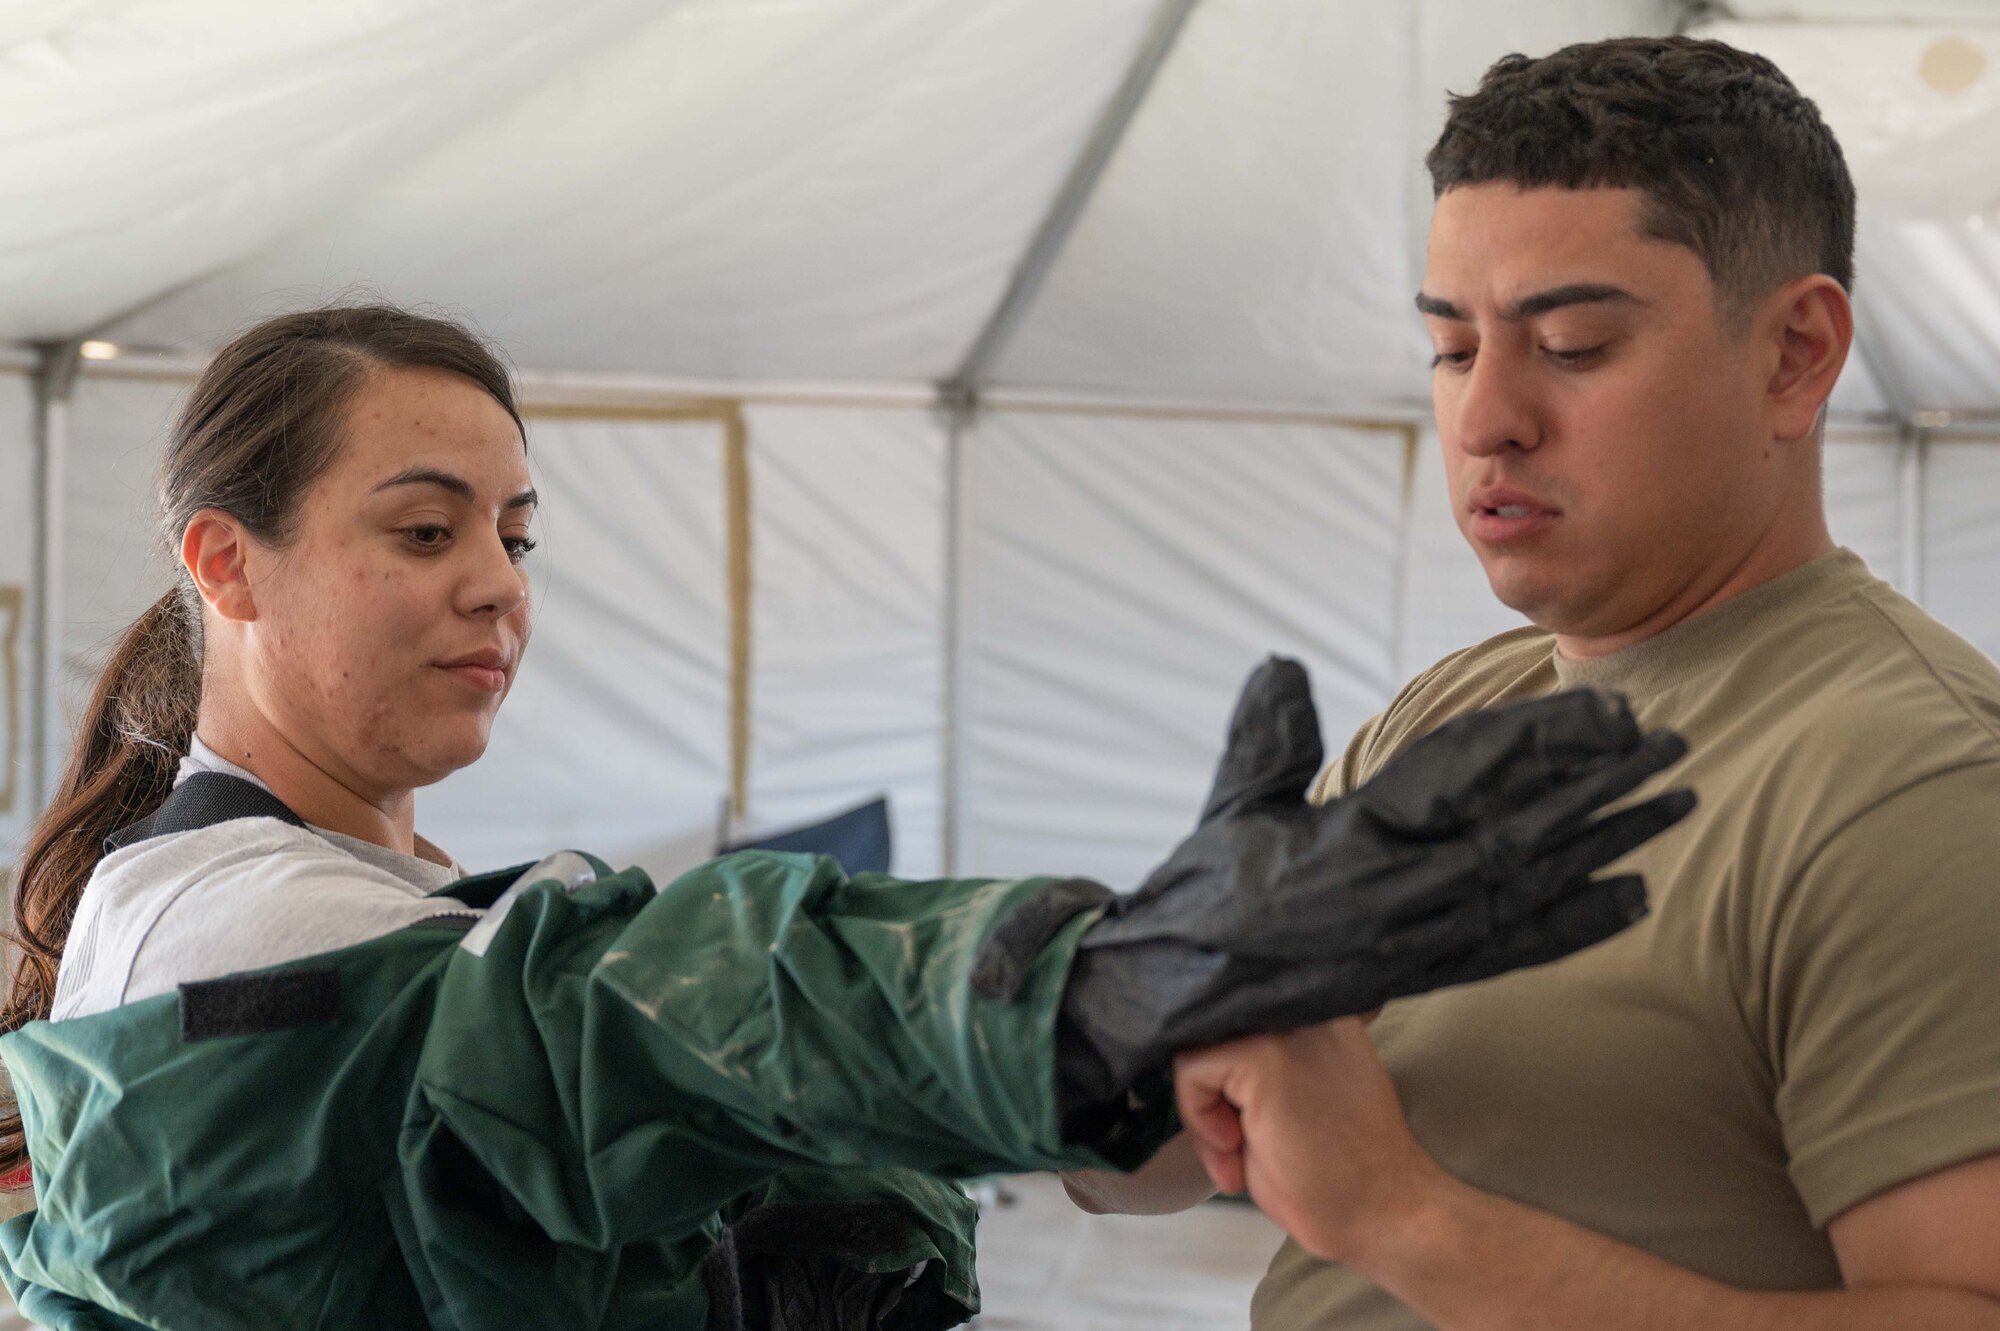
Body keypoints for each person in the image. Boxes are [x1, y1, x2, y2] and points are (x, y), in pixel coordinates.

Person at [0, 305, 1692, 1330]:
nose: (498, 592)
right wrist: (1073, 994)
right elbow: (604, 1028)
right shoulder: (224, 928)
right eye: (425, 531)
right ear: (226, 562)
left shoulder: (390, 890)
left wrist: (1150, 1066)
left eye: (519, 535)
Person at [1164, 34, 2000, 1330]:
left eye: (1571, 344)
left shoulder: (1913, 781)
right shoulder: (1446, 718)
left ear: (1795, 355)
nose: (1487, 416)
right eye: (1452, 350)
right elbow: (1157, 1161)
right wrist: (1115, 1012)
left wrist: (1400, 1214)